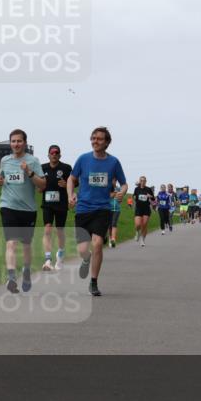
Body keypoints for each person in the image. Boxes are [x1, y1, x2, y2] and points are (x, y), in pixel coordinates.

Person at [67, 127, 127, 297]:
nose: (95, 141)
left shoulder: (113, 162)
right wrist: (70, 194)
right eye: (93, 138)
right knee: (82, 250)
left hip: (102, 209)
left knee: (98, 243)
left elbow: (124, 183)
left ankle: (93, 282)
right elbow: (71, 178)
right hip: (83, 209)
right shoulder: (83, 159)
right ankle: (86, 259)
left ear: (107, 142)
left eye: (99, 139)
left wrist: (122, 192)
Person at [0, 130, 45, 292]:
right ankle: (11, 277)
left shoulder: (33, 161)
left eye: (19, 141)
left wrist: (29, 172)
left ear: (25, 143)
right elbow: (1, 177)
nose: (16, 144)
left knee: (26, 245)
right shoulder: (5, 160)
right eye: (13, 141)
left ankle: (26, 272)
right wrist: (0, 180)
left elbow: (42, 185)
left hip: (28, 209)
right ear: (10, 143)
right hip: (8, 206)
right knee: (11, 242)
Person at [39, 145, 72, 271]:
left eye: (56, 153)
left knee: (59, 231)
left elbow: (75, 182)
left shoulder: (66, 168)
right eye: (52, 153)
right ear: (48, 155)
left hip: (61, 204)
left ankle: (60, 255)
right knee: (47, 228)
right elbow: (38, 183)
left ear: (60, 155)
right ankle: (48, 259)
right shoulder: (42, 168)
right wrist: (39, 187)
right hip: (47, 203)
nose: (54, 155)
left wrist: (66, 184)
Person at [132, 176, 154, 247]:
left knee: (144, 224)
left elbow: (153, 199)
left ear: (146, 182)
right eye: (141, 180)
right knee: (138, 224)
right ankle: (137, 232)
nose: (142, 182)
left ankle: (142, 240)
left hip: (146, 209)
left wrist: (150, 196)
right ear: (140, 181)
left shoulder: (148, 189)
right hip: (138, 208)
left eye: (144, 181)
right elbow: (134, 196)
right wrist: (134, 197)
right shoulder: (136, 189)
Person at [108, 183, 122, 248]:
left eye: (115, 180)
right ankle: (110, 238)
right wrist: (114, 193)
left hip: (117, 209)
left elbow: (120, 199)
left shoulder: (118, 188)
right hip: (108, 209)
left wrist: (120, 198)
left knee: (114, 223)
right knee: (109, 225)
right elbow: (109, 197)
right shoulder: (107, 188)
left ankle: (113, 239)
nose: (114, 181)